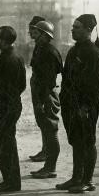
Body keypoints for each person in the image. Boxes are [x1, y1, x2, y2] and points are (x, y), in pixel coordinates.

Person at [57, 14, 99, 193]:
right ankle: (77, 177)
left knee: (87, 141)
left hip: (86, 105)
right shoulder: (73, 50)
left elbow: (93, 85)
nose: (72, 30)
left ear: (88, 30)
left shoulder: (93, 53)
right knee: (76, 140)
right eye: (73, 26)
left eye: (77, 27)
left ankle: (88, 180)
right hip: (71, 104)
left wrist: (84, 107)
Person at [0, 26, 26, 192]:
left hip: (7, 107)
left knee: (4, 144)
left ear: (3, 40)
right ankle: (10, 180)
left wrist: (4, 108)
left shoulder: (9, 59)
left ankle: (11, 182)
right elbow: (22, 85)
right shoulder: (13, 55)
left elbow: (7, 88)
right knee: (4, 143)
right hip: (11, 106)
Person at [29, 21, 63, 179]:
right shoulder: (42, 49)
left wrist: (41, 101)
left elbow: (48, 80)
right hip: (42, 95)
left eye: (36, 32)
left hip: (46, 96)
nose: (33, 35)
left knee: (50, 132)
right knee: (47, 130)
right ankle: (48, 166)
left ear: (45, 35)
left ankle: (50, 168)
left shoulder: (49, 52)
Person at [26, 15, 47, 162]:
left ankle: (47, 152)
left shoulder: (45, 49)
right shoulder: (38, 46)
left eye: (32, 31)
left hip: (43, 91)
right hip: (37, 88)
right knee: (42, 122)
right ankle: (45, 150)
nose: (31, 34)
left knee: (46, 123)